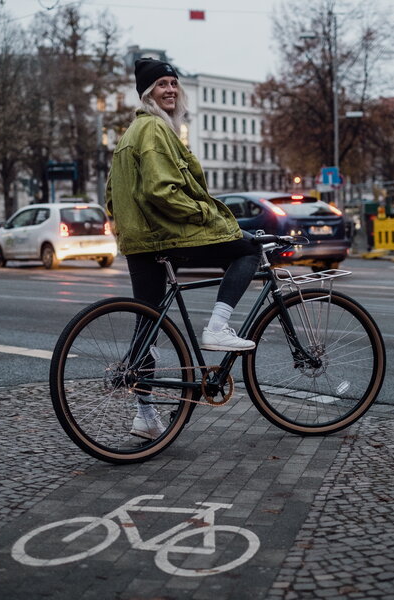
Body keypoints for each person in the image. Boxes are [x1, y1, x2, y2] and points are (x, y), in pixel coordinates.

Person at [105, 57, 261, 439]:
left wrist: (129, 227)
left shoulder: (130, 134)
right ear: (148, 93)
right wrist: (204, 214)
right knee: (248, 250)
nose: (170, 90)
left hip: (140, 241)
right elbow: (160, 190)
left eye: (173, 83)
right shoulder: (156, 129)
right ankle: (218, 328)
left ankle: (145, 416)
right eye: (161, 85)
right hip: (166, 235)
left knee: (148, 324)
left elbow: (111, 194)